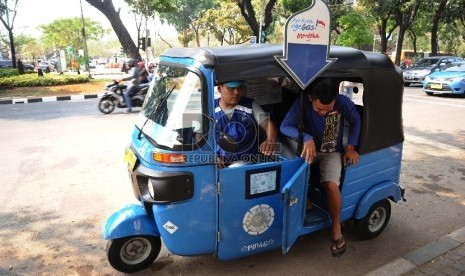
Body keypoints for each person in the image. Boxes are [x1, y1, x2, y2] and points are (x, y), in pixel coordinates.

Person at [280, 78, 361, 257]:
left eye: (328, 109)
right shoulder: (301, 102)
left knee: (331, 185)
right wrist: (306, 137)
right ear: (310, 98)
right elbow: (285, 126)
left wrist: (350, 148)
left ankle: (336, 228)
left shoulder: (343, 102)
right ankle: (306, 199)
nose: (323, 113)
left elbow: (355, 121)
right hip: (309, 150)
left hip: (333, 151)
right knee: (294, 174)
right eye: (318, 110)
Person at [215, 80, 278, 168]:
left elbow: (267, 124)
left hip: (249, 161)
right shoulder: (210, 108)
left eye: (239, 88)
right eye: (231, 88)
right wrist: (213, 155)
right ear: (219, 88)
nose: (237, 92)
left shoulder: (250, 105)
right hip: (220, 163)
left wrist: (270, 140)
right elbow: (200, 137)